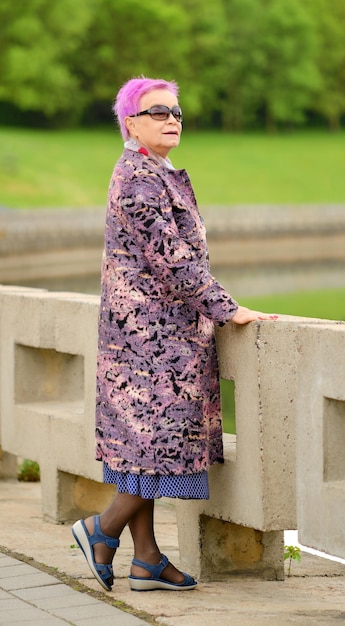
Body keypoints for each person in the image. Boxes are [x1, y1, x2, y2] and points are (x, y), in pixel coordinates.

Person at [72, 76, 278, 593]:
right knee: (159, 448)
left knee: (141, 449)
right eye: (158, 111)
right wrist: (227, 308)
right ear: (130, 123)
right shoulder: (140, 179)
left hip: (149, 338)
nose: (172, 120)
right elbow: (173, 259)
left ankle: (145, 560)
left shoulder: (151, 170)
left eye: (177, 113)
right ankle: (102, 527)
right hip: (150, 344)